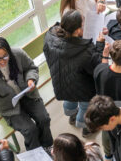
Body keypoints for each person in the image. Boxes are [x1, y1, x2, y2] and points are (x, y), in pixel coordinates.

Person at [0, 37, 53, 150]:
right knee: (30, 130)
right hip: (8, 106)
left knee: (44, 119)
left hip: (27, 94)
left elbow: (31, 68)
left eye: (5, 56)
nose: (2, 61)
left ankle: (48, 145)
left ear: (9, 52)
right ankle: (35, 154)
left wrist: (31, 79)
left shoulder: (17, 54)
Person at [43, 9, 105, 137]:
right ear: (77, 30)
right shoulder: (85, 51)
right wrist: (99, 45)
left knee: (69, 99)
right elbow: (97, 68)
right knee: (85, 107)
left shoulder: (50, 36)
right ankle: (85, 126)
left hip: (61, 83)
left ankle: (71, 116)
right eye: (82, 25)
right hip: (82, 88)